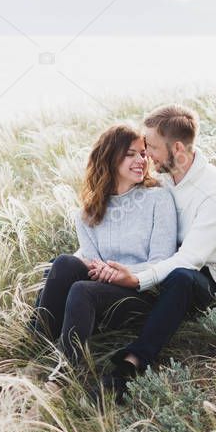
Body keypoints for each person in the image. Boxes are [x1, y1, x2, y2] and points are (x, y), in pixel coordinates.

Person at [89, 104, 216, 403]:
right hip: (156, 265)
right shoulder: (163, 178)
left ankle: (130, 365)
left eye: (152, 148)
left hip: (200, 280)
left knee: (181, 278)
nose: (146, 155)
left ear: (178, 148)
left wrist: (136, 279)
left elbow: (190, 260)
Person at [29, 124, 177, 385]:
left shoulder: (158, 199)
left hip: (141, 293)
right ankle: (33, 353)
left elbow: (162, 262)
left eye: (143, 153)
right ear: (110, 157)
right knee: (64, 263)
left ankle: (63, 377)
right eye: (131, 154)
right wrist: (105, 272)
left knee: (82, 290)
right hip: (102, 293)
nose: (141, 160)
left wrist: (124, 273)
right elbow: (92, 263)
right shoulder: (87, 214)